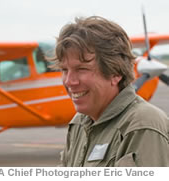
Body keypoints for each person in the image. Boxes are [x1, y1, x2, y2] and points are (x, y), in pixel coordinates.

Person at [50, 16, 169, 166]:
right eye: (64, 70)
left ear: (115, 73)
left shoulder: (142, 125)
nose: (69, 81)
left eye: (81, 69)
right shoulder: (80, 123)